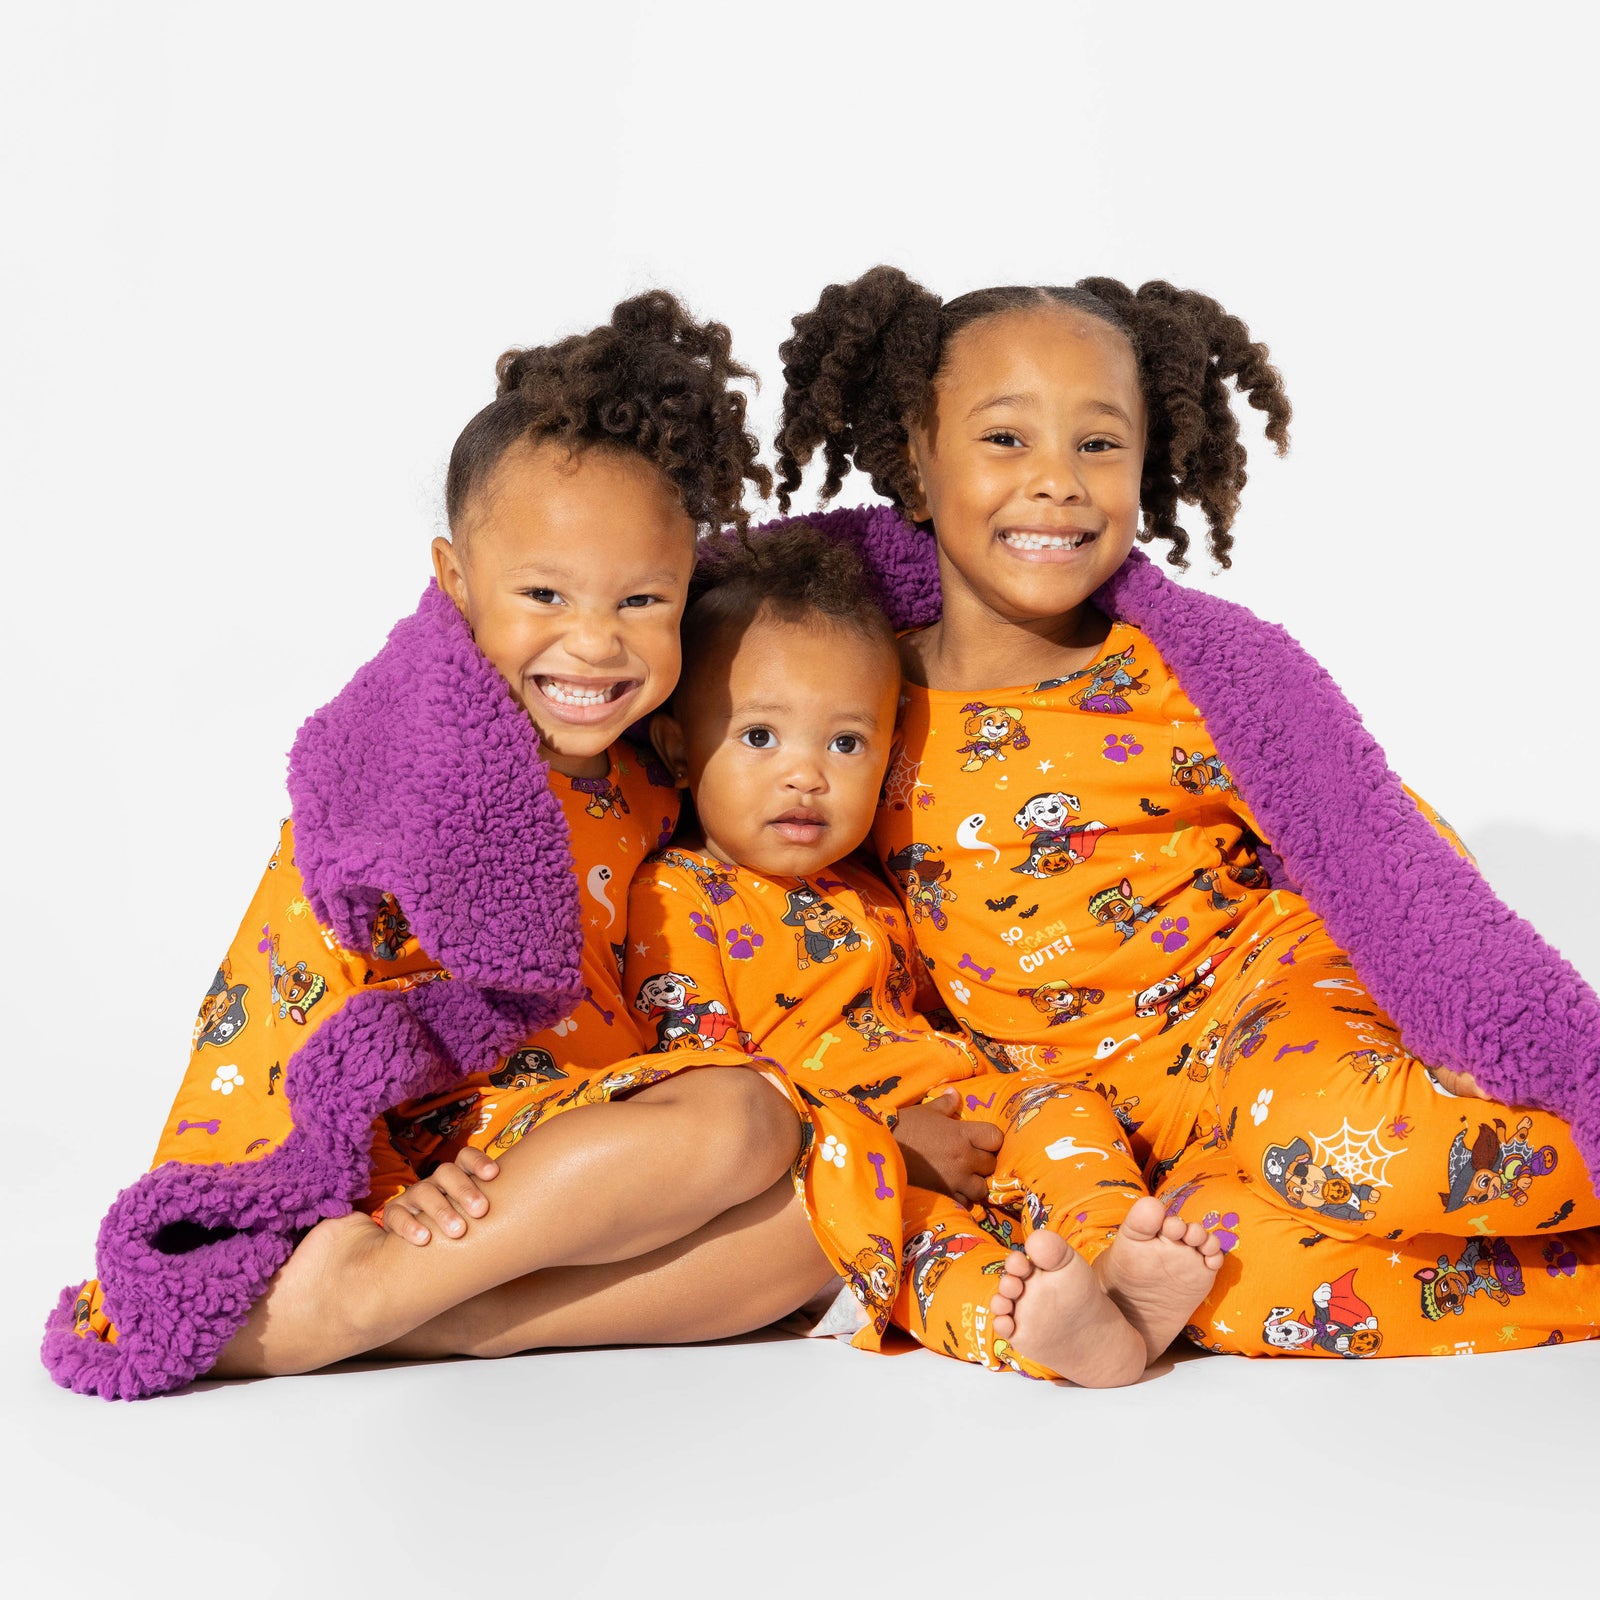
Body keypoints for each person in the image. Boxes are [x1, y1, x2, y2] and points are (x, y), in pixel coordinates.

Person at [769, 267, 1600, 1357]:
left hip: (1261, 1013)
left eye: (1099, 445)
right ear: (915, 462)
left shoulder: (1184, 675)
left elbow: (1378, 851)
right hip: (1105, 1125)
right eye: (1006, 439)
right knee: (1238, 1284)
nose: (1058, 483)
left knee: (1346, 1148)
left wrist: (1450, 1012)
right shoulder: (852, 692)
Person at [45, 293, 830, 1399]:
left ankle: (445, 1320)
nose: (594, 642)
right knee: (742, 1119)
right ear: (456, 581)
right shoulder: (402, 772)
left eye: (642, 599)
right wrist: (368, 1178)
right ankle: (356, 1284)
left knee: (828, 1217)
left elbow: (821, 600)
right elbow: (299, 995)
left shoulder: (655, 763)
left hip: (580, 1136)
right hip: (424, 1138)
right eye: (544, 594)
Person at [621, 524, 1223, 1387]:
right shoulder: (676, 897)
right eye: (759, 737)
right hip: (838, 1178)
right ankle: (1040, 1331)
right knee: (922, 1247)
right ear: (680, 750)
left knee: (1059, 1107)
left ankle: (1108, 1264)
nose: (806, 776)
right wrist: (888, 1148)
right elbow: (700, 1092)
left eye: (845, 743)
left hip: (956, 1111)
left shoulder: (870, 885)